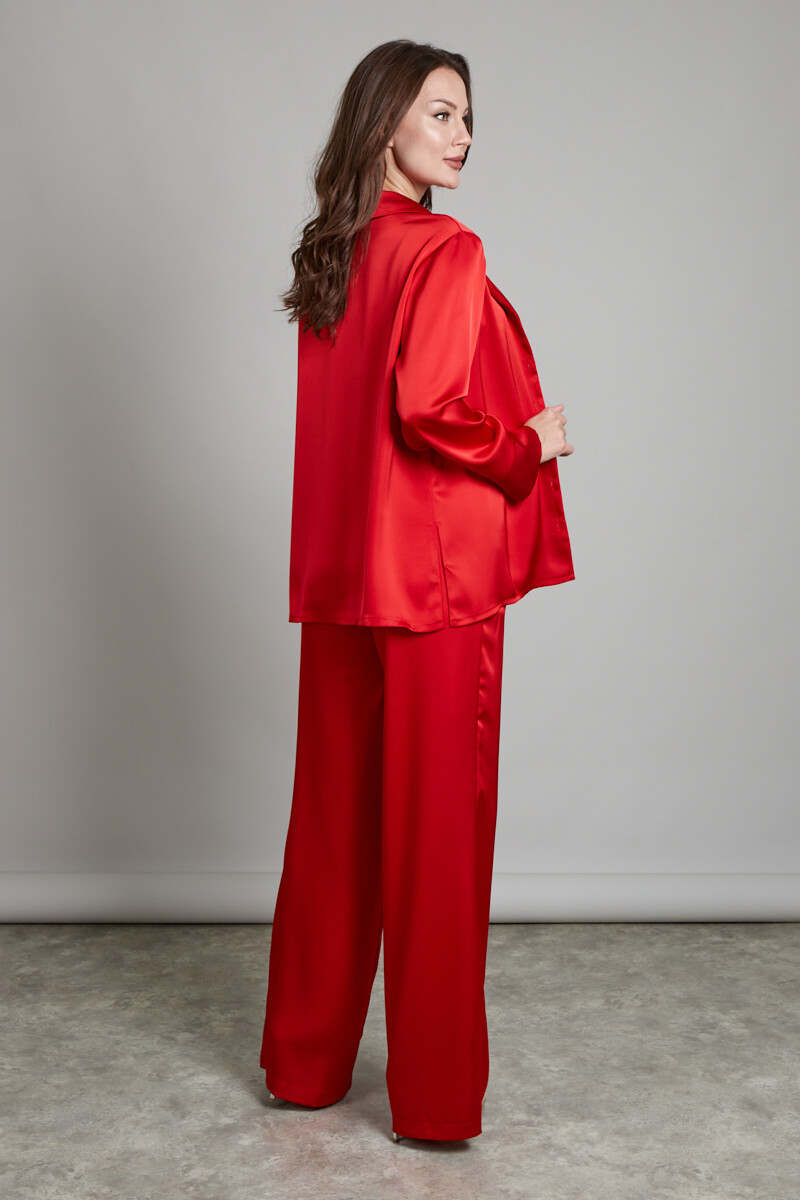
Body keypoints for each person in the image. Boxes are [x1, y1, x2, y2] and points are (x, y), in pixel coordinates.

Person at [259, 38, 575, 1145]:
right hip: (434, 587)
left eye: (468, 117)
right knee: (439, 841)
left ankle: (304, 1068)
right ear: (384, 118)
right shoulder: (444, 248)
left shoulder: (335, 253)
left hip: (343, 580)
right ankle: (435, 1103)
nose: (463, 135)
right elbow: (431, 410)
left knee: (332, 828)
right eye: (441, 113)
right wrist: (527, 445)